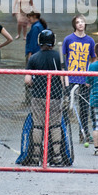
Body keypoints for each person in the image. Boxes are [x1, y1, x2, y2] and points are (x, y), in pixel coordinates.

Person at [25, 29, 64, 166]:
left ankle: (36, 157)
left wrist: (35, 83)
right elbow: (63, 78)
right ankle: (57, 157)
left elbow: (28, 80)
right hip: (55, 96)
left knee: (38, 125)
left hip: (38, 96)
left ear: (39, 41)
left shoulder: (33, 58)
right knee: (55, 125)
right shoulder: (59, 57)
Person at [62, 14, 96, 143]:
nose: (80, 24)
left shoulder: (90, 41)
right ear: (74, 25)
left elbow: (93, 58)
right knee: (67, 106)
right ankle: (63, 133)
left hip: (84, 79)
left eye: (82, 22)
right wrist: (64, 77)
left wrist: (90, 75)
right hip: (70, 78)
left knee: (84, 107)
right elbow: (63, 60)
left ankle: (84, 133)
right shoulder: (68, 39)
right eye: (78, 22)